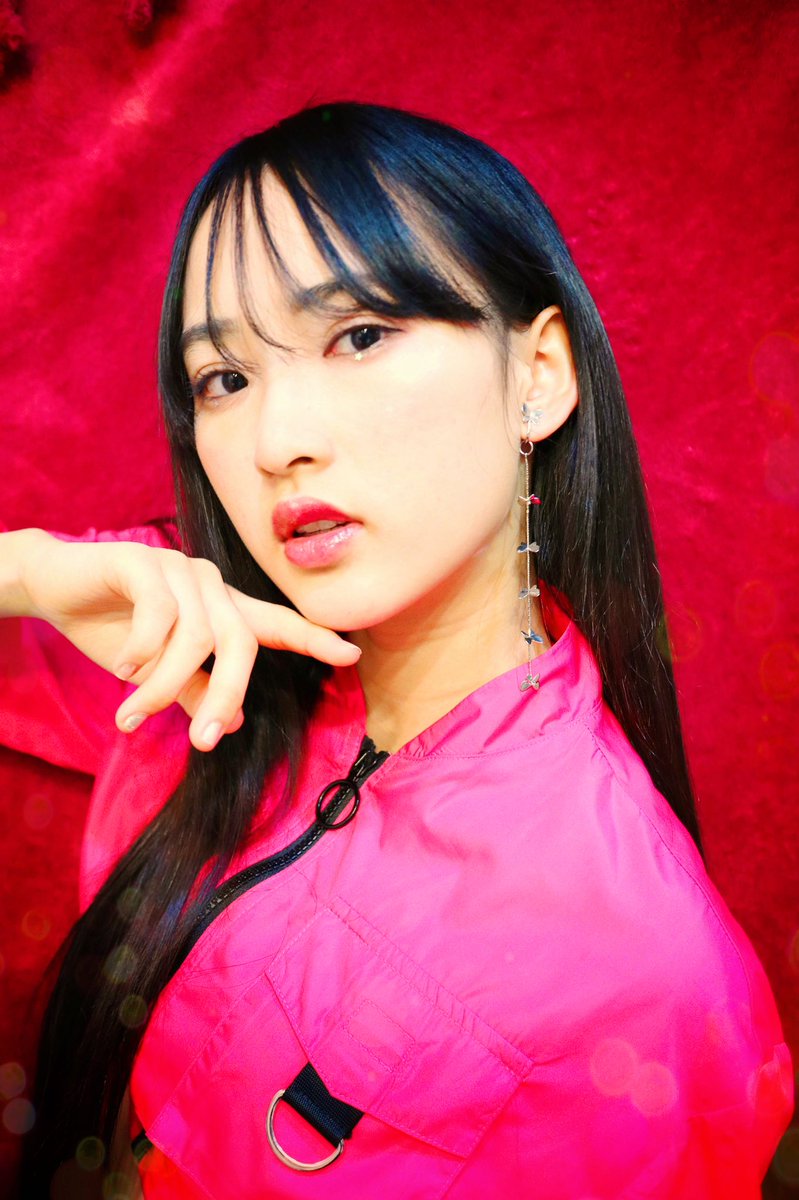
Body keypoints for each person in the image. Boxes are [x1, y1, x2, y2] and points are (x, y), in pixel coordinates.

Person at [1, 100, 792, 1199]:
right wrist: (28, 573)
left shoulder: (645, 982)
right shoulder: (191, 642)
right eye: (224, 378)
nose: (279, 442)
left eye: (361, 335)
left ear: (538, 375)